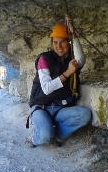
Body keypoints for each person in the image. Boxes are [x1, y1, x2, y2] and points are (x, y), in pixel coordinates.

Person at [27, 15, 92, 147]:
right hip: (41, 107)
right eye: (55, 42)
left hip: (60, 108)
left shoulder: (70, 59)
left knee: (85, 115)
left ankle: (58, 135)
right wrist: (68, 72)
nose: (59, 46)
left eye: (63, 42)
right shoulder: (44, 59)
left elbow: (80, 60)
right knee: (45, 136)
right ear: (51, 44)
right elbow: (46, 88)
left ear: (68, 43)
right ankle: (34, 138)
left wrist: (73, 34)